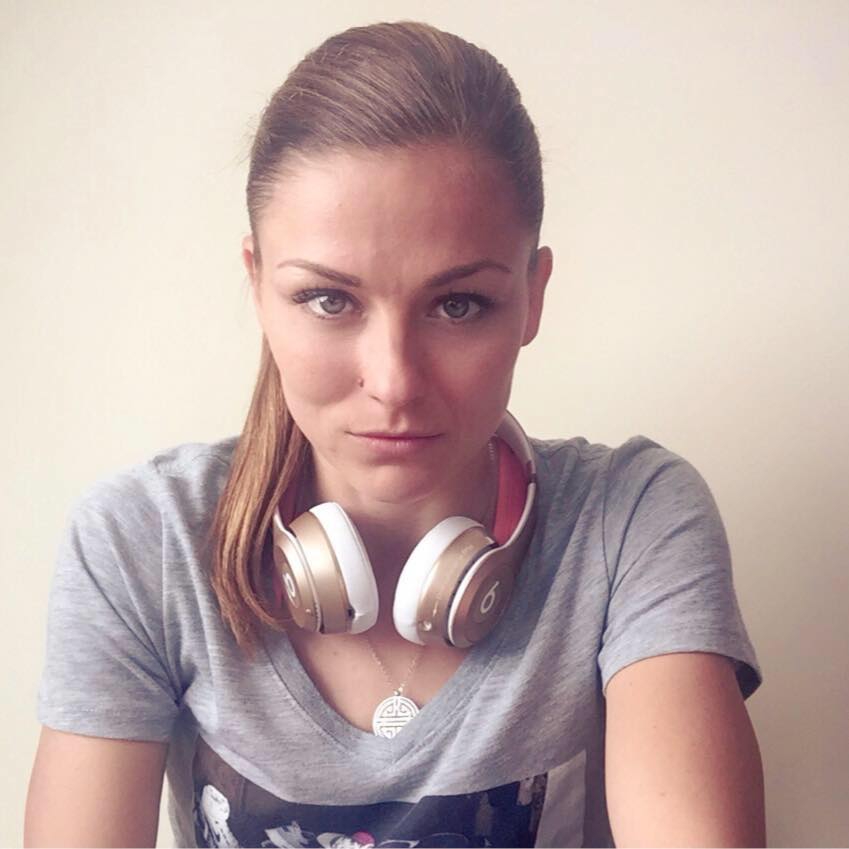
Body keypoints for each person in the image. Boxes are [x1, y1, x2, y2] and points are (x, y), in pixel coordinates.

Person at [24, 19, 765, 849]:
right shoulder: (141, 541)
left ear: (532, 295)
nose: (394, 381)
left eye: (458, 304)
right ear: (258, 287)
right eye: (328, 300)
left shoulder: (630, 521)